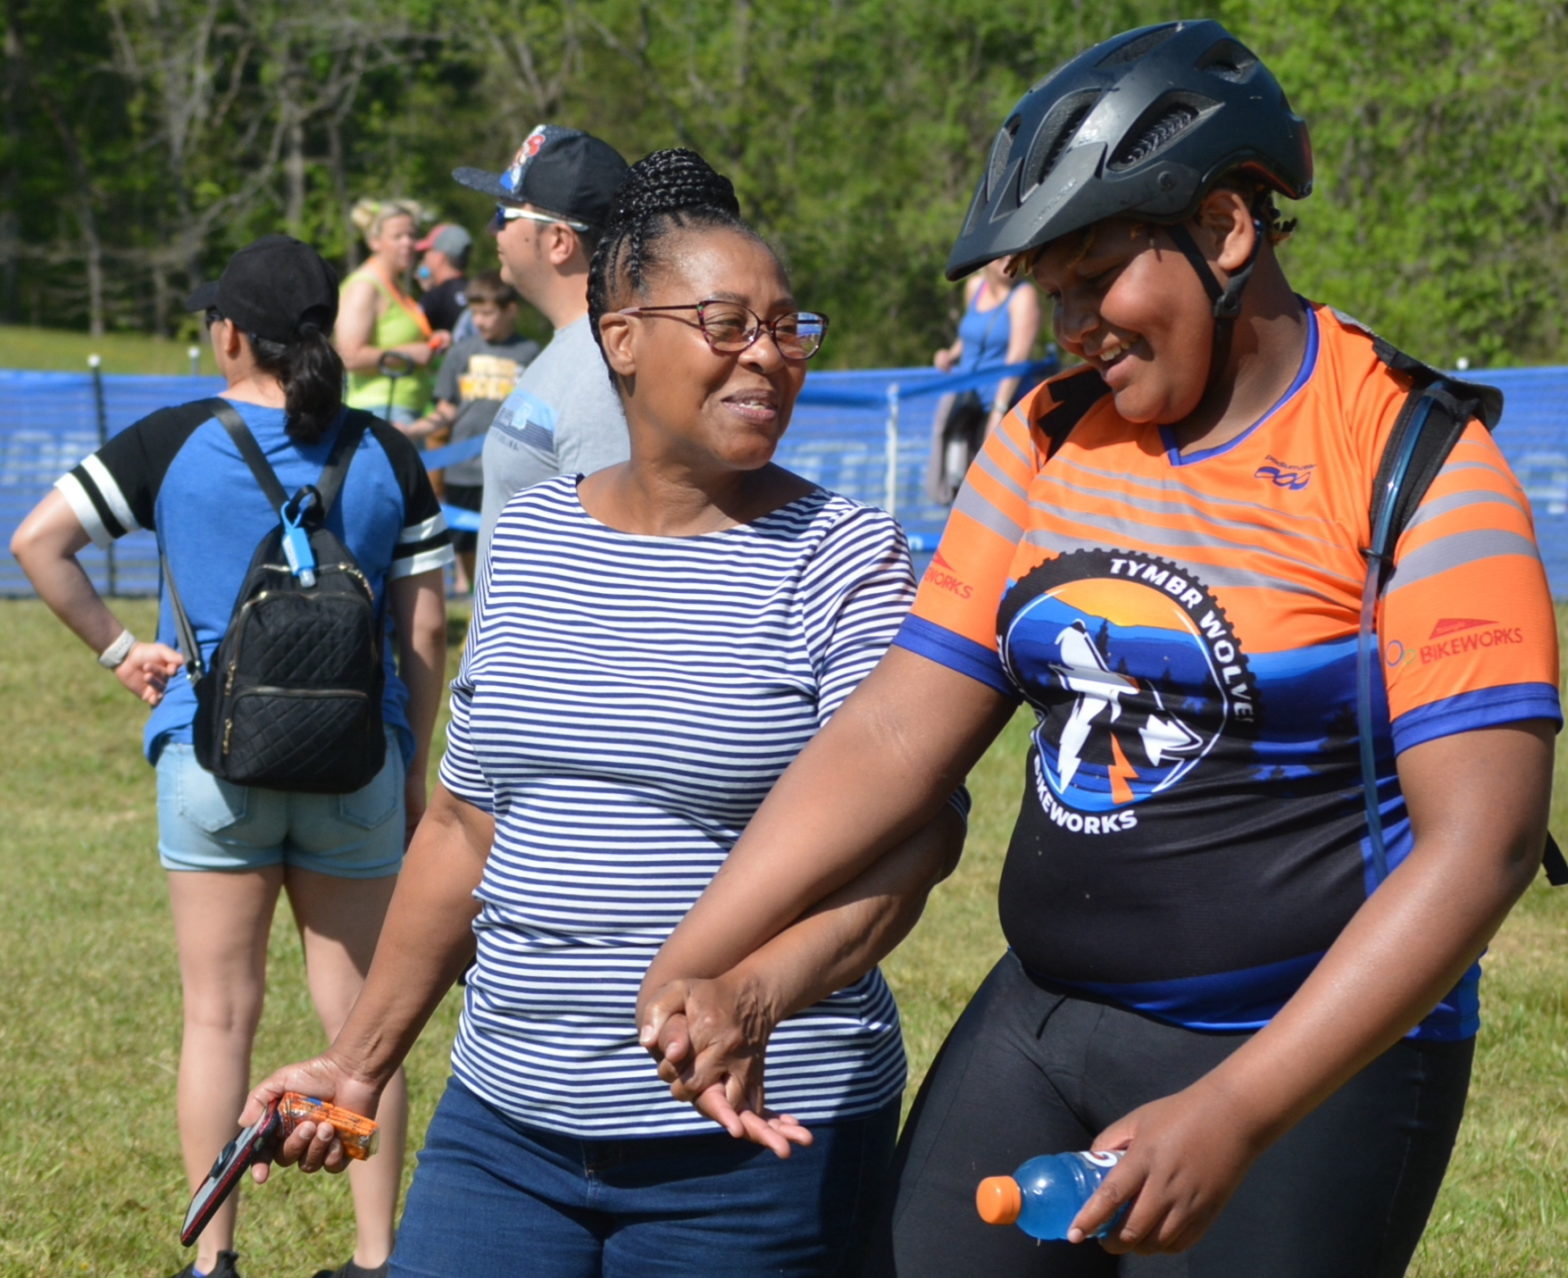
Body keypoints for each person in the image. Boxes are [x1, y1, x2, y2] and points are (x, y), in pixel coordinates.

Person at [637, 20, 1560, 1278]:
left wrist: (1236, 1107)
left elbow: (1480, 848)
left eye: (1091, 279)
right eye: (1047, 292)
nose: (1067, 323)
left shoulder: (1420, 468)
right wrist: (699, 961)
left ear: (1228, 232)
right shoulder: (1046, 435)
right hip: (1045, 1020)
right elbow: (898, 728)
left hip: (1297, 1056)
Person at [243, 148, 967, 1278]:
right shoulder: (529, 545)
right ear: (618, 335)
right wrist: (360, 1061)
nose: (768, 357)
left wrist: (758, 996)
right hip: (504, 1125)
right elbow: (464, 828)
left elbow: (921, 836)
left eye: (787, 327)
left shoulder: (843, 560)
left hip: (748, 1144)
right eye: (726, 324)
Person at [9, 234, 453, 1278]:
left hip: (213, 764)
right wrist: (415, 771)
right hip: (358, 772)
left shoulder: (173, 440)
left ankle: (215, 1260)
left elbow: (38, 542)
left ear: (228, 336)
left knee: (218, 1018)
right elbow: (425, 633)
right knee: (362, 1030)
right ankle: (377, 1254)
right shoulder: (390, 454)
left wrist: (123, 652)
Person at [451, 123, 634, 557]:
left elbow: (606, 557)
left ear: (558, 241)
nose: (494, 230)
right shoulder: (572, 348)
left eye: (505, 215)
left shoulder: (602, 373)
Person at [410, 270, 540, 593]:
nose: (481, 321)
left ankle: (503, 592)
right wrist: (409, 430)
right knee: (465, 540)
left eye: (488, 313)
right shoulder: (461, 353)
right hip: (463, 467)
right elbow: (446, 410)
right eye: (475, 313)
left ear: (511, 310)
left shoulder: (532, 354)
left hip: (511, 465)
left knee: (508, 538)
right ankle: (473, 594)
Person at [925, 255, 1042, 503]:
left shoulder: (1023, 295)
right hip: (967, 402)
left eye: (1013, 252)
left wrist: (998, 411)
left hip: (1003, 406)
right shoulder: (975, 287)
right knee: (959, 480)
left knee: (998, 488)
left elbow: (1017, 359)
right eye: (1001, 253)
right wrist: (950, 354)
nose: (1007, 258)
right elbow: (970, 335)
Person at [338, 199, 447, 431]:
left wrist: (432, 343)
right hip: (379, 412)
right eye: (398, 237)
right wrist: (409, 354)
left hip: (405, 411)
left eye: (412, 235)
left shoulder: (395, 285)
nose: (408, 243)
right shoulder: (365, 286)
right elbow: (349, 356)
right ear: (374, 241)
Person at [414, 222, 472, 335]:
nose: (424, 258)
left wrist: (429, 295)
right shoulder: (476, 290)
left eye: (427, 251)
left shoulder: (434, 298)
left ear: (439, 257)